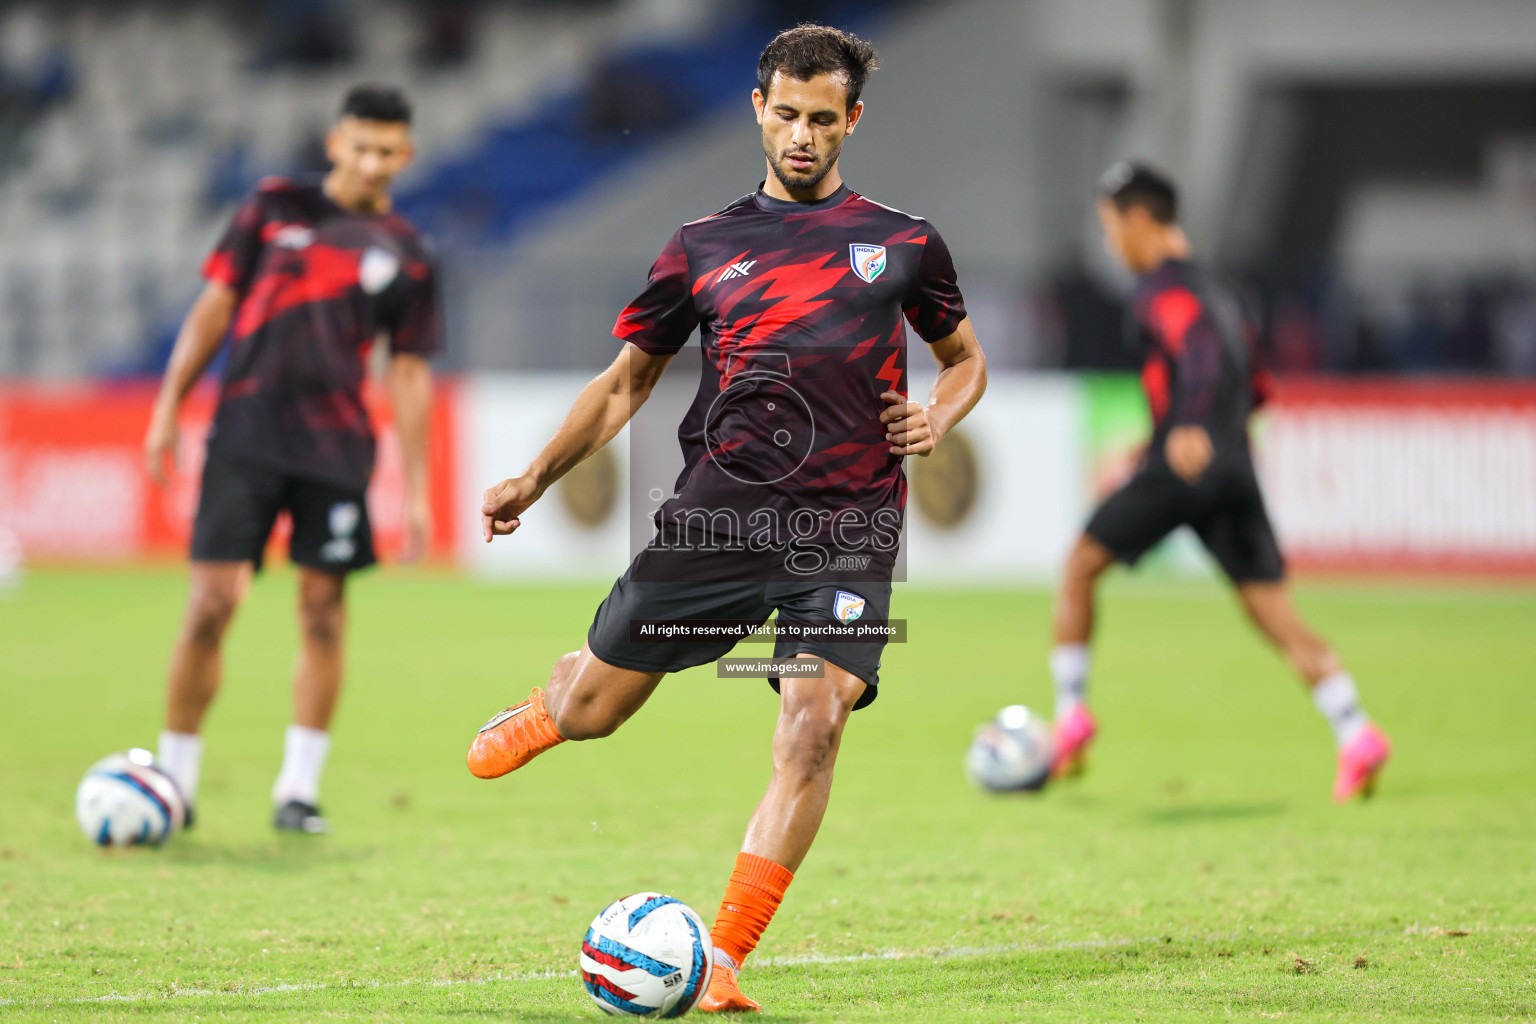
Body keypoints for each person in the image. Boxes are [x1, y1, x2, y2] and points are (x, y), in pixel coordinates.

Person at [466, 25, 985, 1013]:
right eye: (786, 114)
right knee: (596, 712)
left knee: (814, 721)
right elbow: (625, 386)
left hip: (848, 527)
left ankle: (729, 955)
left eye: (822, 119)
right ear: (759, 109)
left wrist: (937, 412)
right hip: (720, 518)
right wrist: (532, 480)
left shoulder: (905, 244)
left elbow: (965, 360)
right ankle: (553, 704)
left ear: (852, 121)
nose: (802, 135)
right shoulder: (702, 247)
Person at [142, 84, 440, 833]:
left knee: (323, 614)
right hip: (244, 434)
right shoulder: (273, 206)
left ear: (405, 155)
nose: (372, 163)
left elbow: (408, 371)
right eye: (360, 146)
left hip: (336, 448)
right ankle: (173, 784)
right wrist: (171, 402)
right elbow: (215, 303)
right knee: (211, 606)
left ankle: (297, 791)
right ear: (336, 142)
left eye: (386, 151)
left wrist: (418, 491)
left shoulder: (407, 255)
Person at [1047, 161, 1391, 802]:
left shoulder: (1161, 290)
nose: (1110, 243)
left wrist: (1189, 427)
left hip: (1188, 466)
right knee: (1275, 613)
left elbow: (1200, 348)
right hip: (1232, 467)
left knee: (1078, 566)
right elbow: (1255, 383)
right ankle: (1357, 732)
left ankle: (1071, 717)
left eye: (1111, 227)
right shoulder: (1230, 289)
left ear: (1143, 220)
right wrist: (1181, 432)